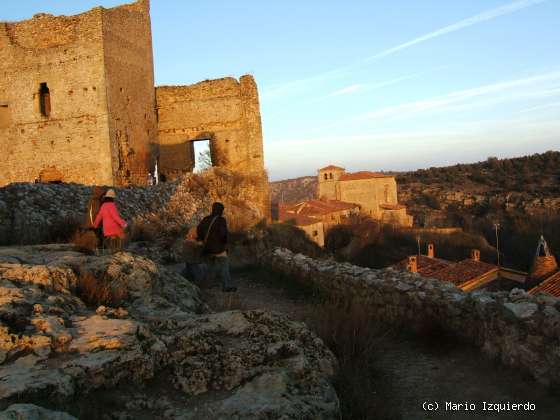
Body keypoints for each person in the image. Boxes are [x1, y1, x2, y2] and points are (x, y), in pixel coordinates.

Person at [196, 202, 236, 292]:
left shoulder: (205, 219)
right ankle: (227, 285)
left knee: (210, 267)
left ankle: (205, 286)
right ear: (221, 210)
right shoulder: (221, 220)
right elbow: (223, 235)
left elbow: (199, 231)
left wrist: (204, 240)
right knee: (224, 266)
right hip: (219, 249)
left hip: (207, 248)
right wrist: (225, 243)